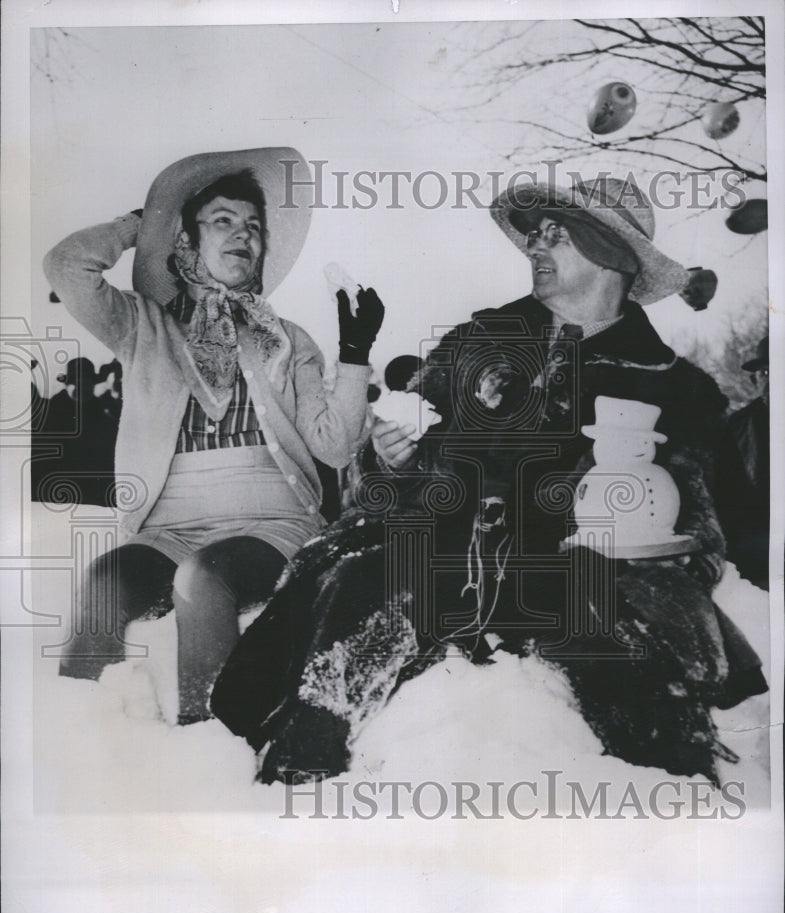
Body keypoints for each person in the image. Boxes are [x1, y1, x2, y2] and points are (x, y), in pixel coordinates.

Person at [211, 174, 767, 783]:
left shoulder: (674, 386)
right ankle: (297, 784)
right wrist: (389, 458)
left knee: (627, 667)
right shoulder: (473, 345)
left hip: (573, 573)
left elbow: (712, 529)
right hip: (438, 554)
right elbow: (382, 478)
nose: (534, 246)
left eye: (557, 234)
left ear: (613, 254)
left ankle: (668, 815)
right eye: (535, 232)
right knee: (363, 588)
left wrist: (637, 524)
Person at [45, 148, 382, 723]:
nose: (243, 235)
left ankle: (212, 747)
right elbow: (65, 266)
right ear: (186, 240)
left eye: (253, 226)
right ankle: (80, 741)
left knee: (203, 579)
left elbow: (333, 447)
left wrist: (354, 354)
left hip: (271, 524)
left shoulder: (286, 339)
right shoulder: (143, 325)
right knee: (105, 580)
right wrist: (137, 227)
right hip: (167, 528)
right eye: (222, 220)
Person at [715, 336, 770, 588]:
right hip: (755, 558)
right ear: (755, 379)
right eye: (767, 372)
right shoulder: (734, 427)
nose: (773, 380)